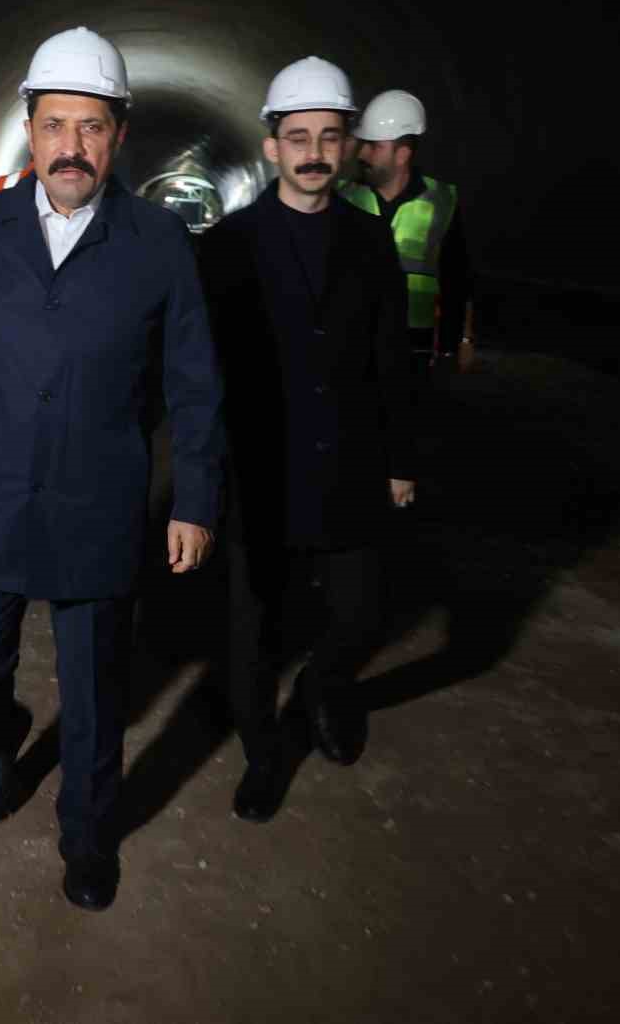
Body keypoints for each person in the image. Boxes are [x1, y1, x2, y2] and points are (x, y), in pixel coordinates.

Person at [0, 27, 225, 910]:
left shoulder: (159, 241)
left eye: (90, 126)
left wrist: (195, 499)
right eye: (53, 125)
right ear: (29, 131)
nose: (70, 146)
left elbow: (194, 383)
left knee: (95, 693)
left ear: (118, 135)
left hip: (97, 504)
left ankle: (87, 836)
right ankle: (1, 733)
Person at [197, 57, 418, 822]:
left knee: (362, 614)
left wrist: (400, 458)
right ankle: (264, 755)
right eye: (298, 137)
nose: (314, 152)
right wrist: (204, 474)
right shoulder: (228, 245)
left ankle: (324, 686)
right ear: (272, 147)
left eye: (329, 136)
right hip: (258, 472)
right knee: (251, 636)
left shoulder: (370, 241)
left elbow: (392, 357)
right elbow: (202, 370)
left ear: (349, 145)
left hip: (349, 462)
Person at [341, 90, 477, 374]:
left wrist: (460, 341)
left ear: (402, 154)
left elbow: (457, 279)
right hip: (355, 341)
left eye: (373, 146)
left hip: (415, 349)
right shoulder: (344, 197)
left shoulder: (442, 201)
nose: (362, 153)